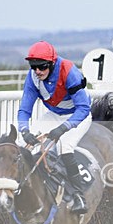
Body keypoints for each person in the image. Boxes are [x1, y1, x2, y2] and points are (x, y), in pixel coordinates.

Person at [17, 40, 91, 214]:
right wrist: (24, 130)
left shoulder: (69, 71)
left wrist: (64, 128)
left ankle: (79, 196)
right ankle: (20, 189)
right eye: (33, 66)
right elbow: (24, 110)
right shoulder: (33, 77)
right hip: (54, 115)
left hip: (77, 115)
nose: (37, 71)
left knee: (65, 147)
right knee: (21, 144)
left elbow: (83, 108)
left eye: (42, 67)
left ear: (51, 63)